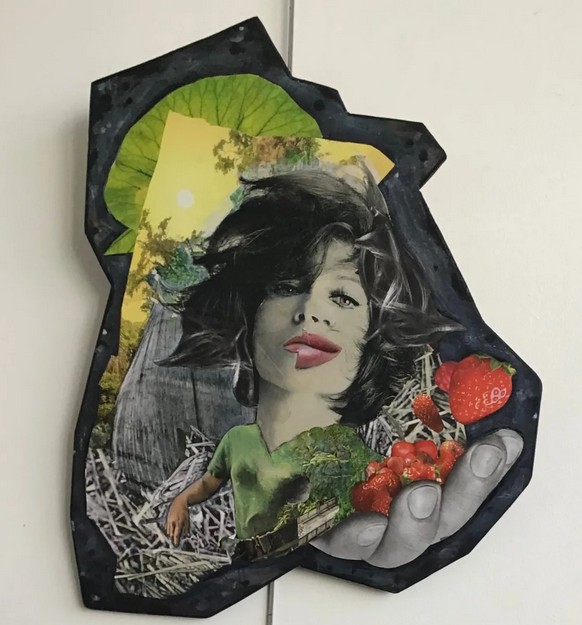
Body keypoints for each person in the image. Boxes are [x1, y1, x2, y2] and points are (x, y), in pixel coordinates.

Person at [162, 165, 523, 567]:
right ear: (248, 315)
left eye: (344, 298)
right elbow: (207, 486)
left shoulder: (357, 463)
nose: (310, 309)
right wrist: (180, 503)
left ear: (374, 339)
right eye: (287, 287)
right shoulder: (236, 442)